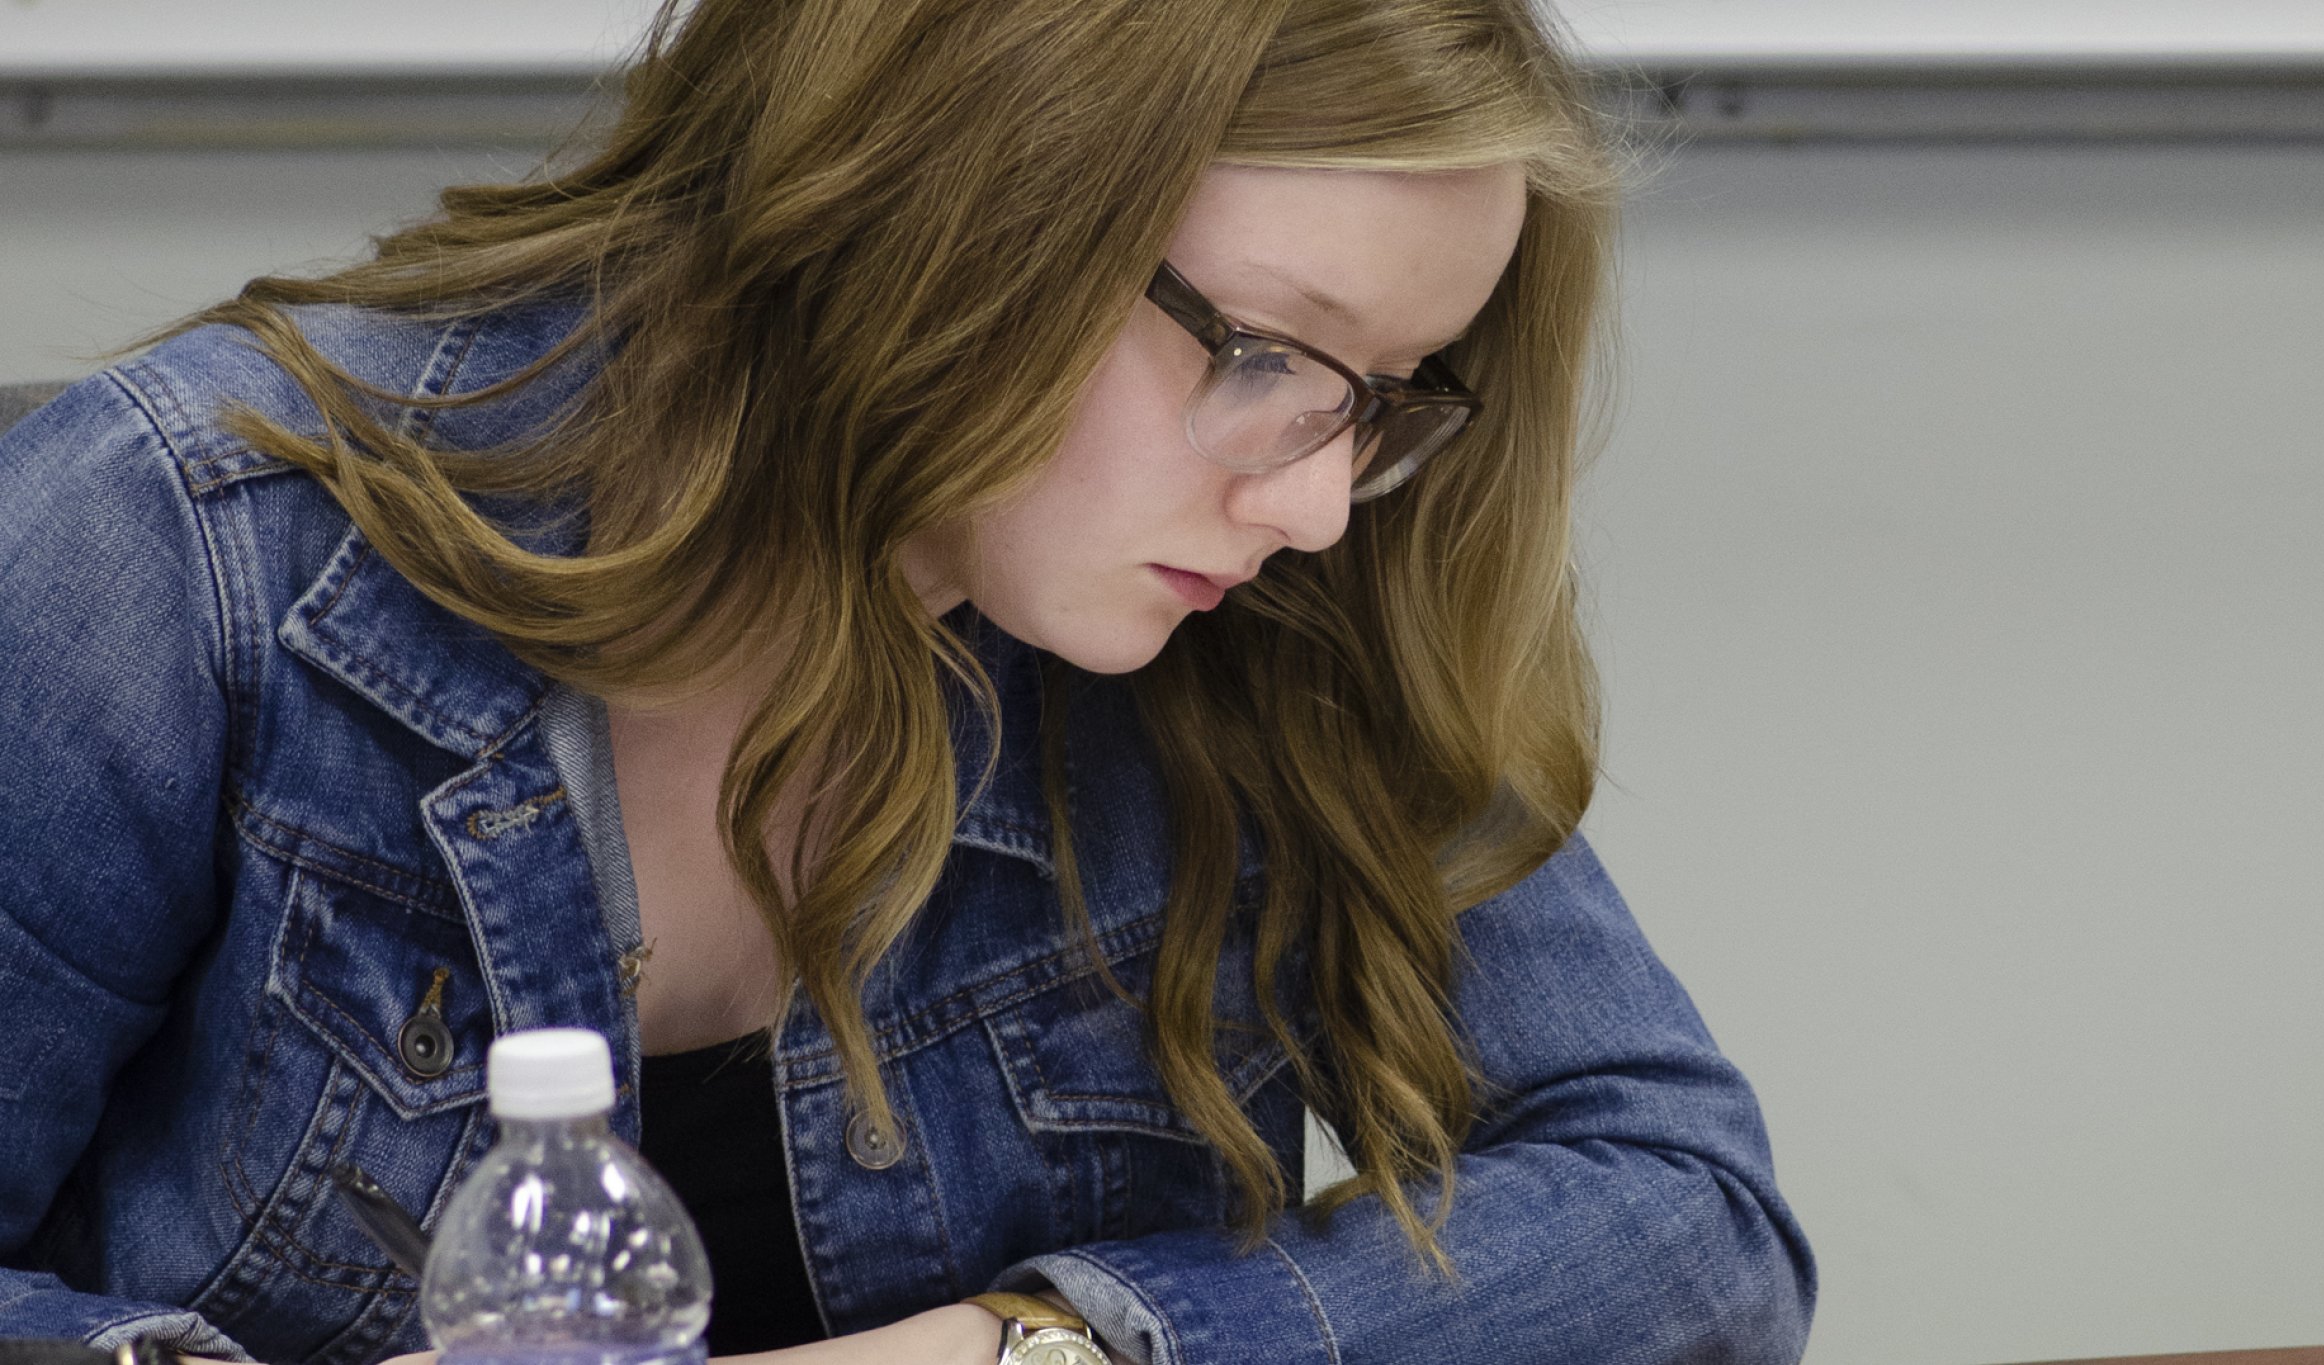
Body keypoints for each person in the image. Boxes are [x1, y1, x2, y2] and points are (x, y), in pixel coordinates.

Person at [0, 0, 1816, 1362]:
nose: (1321, 504)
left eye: (1388, 394)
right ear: (955, 208)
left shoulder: (1278, 623)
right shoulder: (186, 542)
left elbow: (1686, 1212)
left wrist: (1029, 1348)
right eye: (1271, 353)